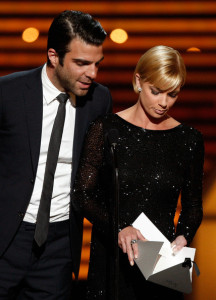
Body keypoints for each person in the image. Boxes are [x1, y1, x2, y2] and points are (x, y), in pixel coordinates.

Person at [72, 45, 204, 299]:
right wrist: (119, 227)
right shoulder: (106, 129)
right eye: (156, 91)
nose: (164, 103)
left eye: (173, 94)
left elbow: (193, 204)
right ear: (138, 81)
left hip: (161, 265)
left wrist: (184, 235)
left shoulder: (189, 139)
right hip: (111, 259)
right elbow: (83, 195)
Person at [0, 10, 112, 300]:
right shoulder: (8, 93)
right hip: (6, 237)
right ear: (53, 56)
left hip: (60, 246)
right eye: (81, 63)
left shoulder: (99, 99)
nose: (93, 74)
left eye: (97, 64)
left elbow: (99, 171)